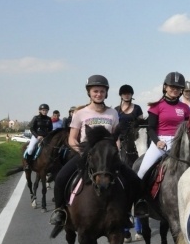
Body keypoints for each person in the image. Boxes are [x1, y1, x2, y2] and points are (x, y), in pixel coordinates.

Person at [49, 75, 143, 227]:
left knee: (133, 179)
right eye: (95, 91)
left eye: (102, 91)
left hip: (107, 155)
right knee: (61, 177)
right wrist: (82, 152)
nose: (99, 94)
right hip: (87, 154)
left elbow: (116, 136)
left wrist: (115, 149)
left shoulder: (112, 113)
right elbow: (72, 138)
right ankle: (60, 211)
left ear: (106, 93)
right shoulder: (80, 113)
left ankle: (131, 210)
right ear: (89, 93)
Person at [136, 72, 190, 181]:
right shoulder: (156, 106)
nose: (175, 89)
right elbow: (150, 128)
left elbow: (188, 127)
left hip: (179, 142)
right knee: (143, 170)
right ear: (165, 87)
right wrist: (157, 142)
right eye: (172, 87)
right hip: (161, 142)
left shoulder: (185, 108)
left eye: (178, 88)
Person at [116, 84, 146, 241]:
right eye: (124, 93)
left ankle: (139, 227)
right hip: (120, 143)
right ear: (121, 95)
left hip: (136, 142)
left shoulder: (137, 108)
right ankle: (125, 228)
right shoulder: (116, 110)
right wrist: (116, 142)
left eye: (129, 93)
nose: (127, 95)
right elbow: (114, 128)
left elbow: (142, 126)